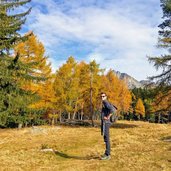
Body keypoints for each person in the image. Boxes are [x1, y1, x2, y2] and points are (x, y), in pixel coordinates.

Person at [100, 92, 113, 160]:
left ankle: (108, 155)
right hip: (105, 123)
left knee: (107, 139)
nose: (102, 98)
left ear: (106, 97)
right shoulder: (104, 103)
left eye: (103, 96)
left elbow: (112, 110)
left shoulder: (105, 102)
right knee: (106, 138)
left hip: (106, 123)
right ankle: (106, 153)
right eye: (101, 96)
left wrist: (107, 117)